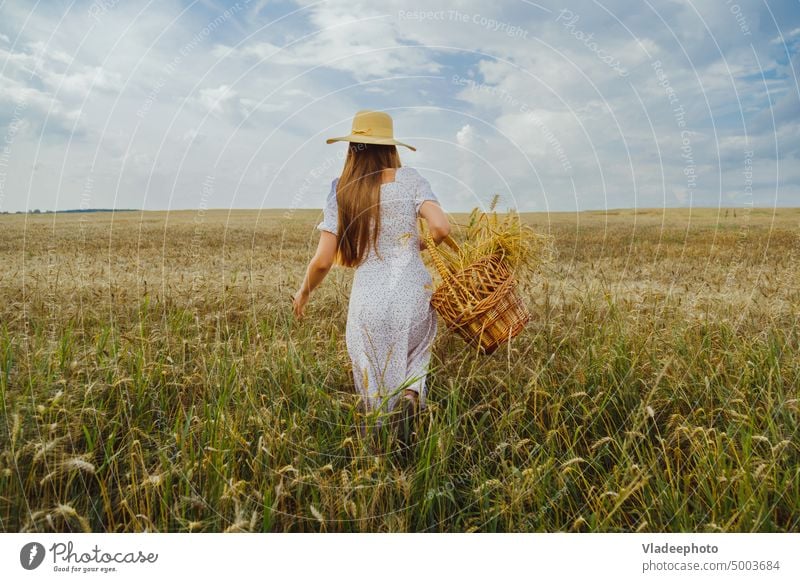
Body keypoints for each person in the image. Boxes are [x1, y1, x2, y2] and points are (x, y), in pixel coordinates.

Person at [292, 109, 451, 439]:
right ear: (391, 147)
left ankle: (375, 440)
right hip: (413, 292)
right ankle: (410, 397)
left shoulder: (341, 190)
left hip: (369, 298)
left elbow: (322, 261)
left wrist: (304, 293)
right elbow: (441, 226)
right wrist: (417, 244)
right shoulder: (410, 180)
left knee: (369, 369)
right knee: (416, 354)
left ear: (353, 148)